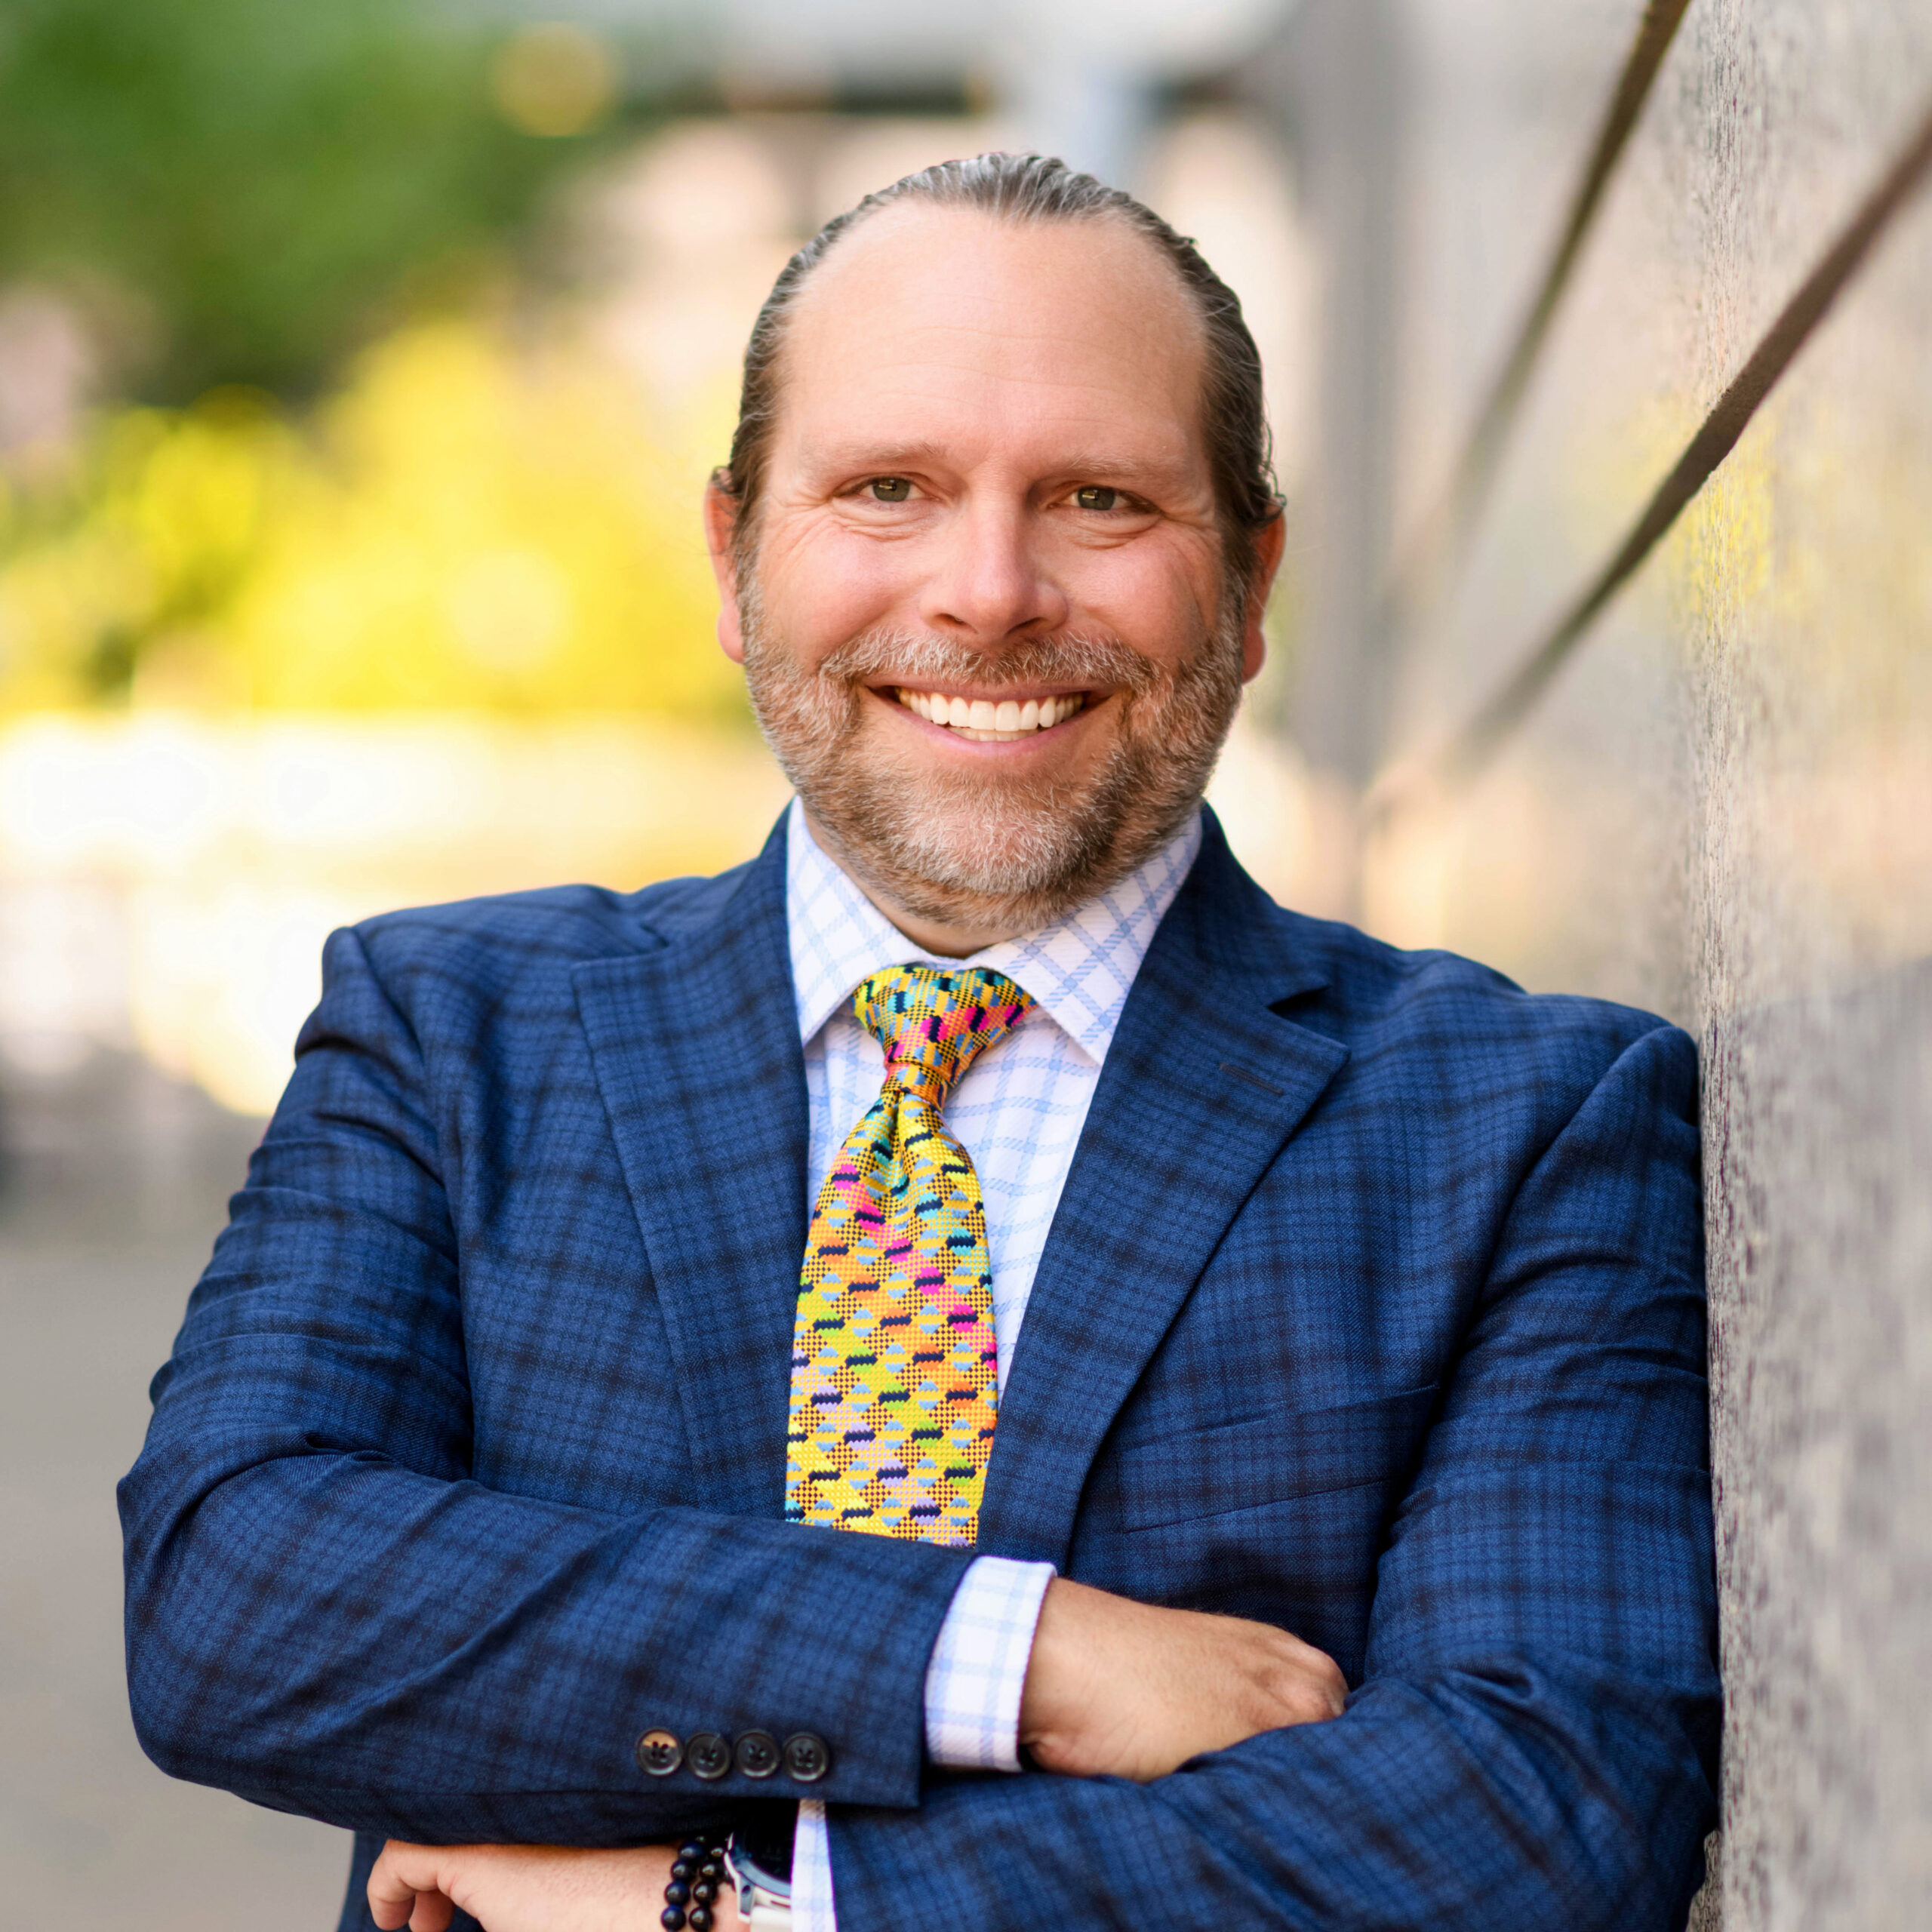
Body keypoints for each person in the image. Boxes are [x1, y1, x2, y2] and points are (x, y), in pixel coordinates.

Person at [119, 153, 1719, 1932]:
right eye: (886, 487)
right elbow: (234, 1598)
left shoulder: (1522, 1122)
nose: (985, 593)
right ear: (734, 558)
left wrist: (738, 1912)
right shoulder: (454, 1032)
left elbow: (1536, 1812)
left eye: (1099, 498)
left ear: (1253, 585)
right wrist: (1006, 1650)